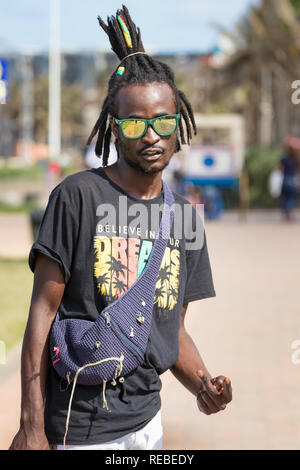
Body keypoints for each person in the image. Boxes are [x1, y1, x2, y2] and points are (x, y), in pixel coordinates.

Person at [10, 6, 232, 451]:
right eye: (135, 123)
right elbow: (41, 315)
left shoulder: (186, 215)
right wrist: (32, 426)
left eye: (164, 122)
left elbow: (170, 330)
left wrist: (204, 386)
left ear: (178, 126)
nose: (151, 135)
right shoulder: (77, 196)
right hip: (80, 426)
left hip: (148, 424)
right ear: (115, 127)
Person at [278, 142, 300, 221]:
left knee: (285, 197)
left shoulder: (284, 158)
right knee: (292, 197)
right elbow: (298, 170)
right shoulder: (295, 158)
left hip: (285, 179)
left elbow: (279, 168)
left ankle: (287, 214)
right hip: (292, 180)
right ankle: (291, 214)